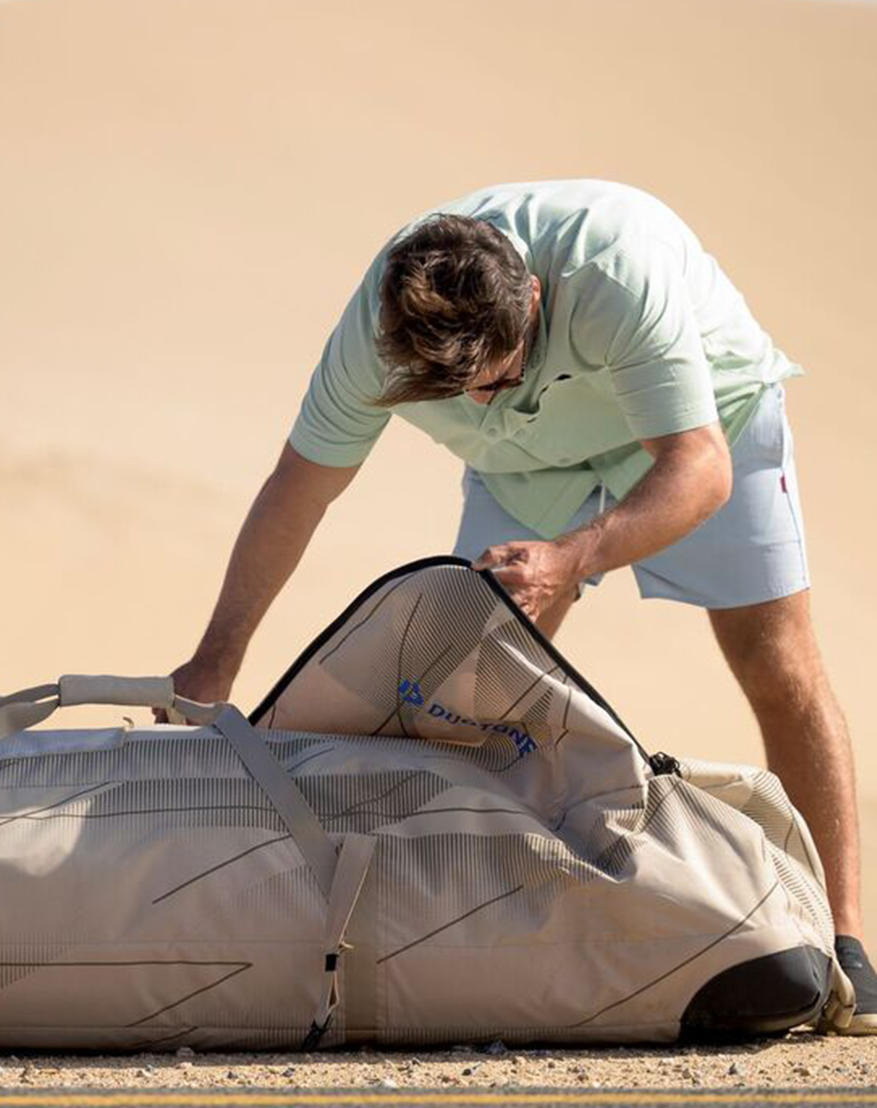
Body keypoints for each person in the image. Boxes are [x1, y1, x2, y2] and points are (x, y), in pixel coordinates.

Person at [170, 178, 874, 1034]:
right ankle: (464, 938)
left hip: (703, 423)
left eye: (489, 379)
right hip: (524, 464)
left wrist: (572, 559)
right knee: (467, 692)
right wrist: (216, 659)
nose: (469, 403)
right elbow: (298, 492)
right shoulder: (379, 332)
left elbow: (700, 467)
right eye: (447, 388)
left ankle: (846, 949)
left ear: (534, 300)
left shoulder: (617, 269)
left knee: (775, 659)